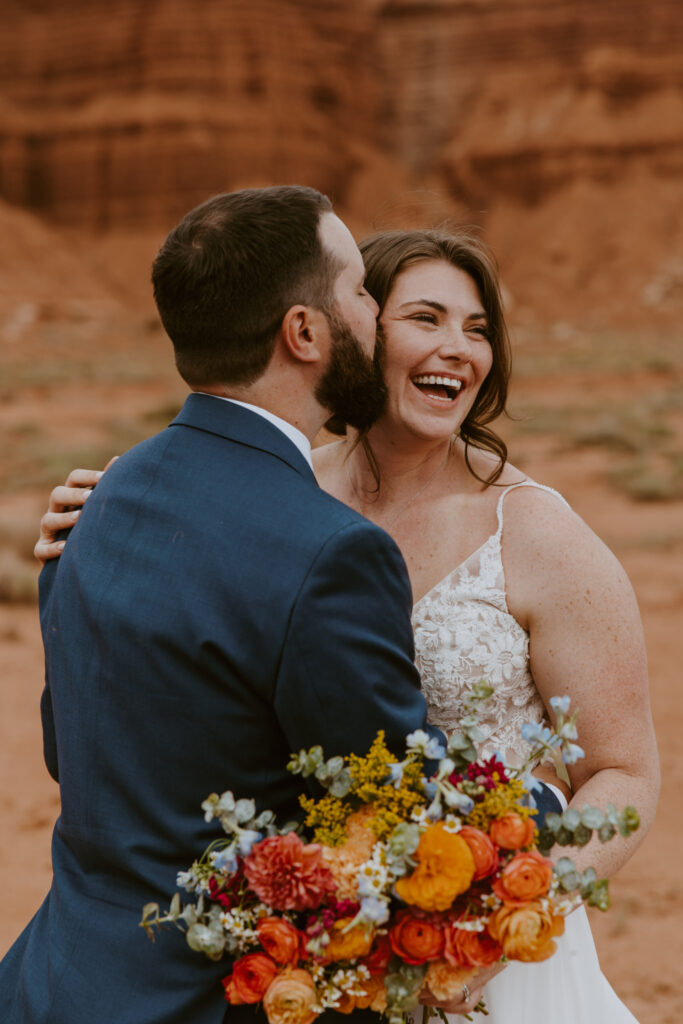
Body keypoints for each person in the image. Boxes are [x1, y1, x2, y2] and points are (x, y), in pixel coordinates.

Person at [36, 225, 660, 1023]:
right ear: (353, 333)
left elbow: (624, 771)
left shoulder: (539, 537)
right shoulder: (273, 500)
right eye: (423, 318)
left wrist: (504, 921)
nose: (458, 351)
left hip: (482, 956)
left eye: (477, 331)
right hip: (290, 957)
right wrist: (102, 539)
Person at [0, 187, 481, 1024]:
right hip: (220, 999)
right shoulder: (331, 553)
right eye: (360, 293)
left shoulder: (96, 503)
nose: (374, 310)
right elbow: (399, 803)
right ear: (303, 332)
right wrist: (541, 801)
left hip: (56, 982)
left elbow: (67, 750)